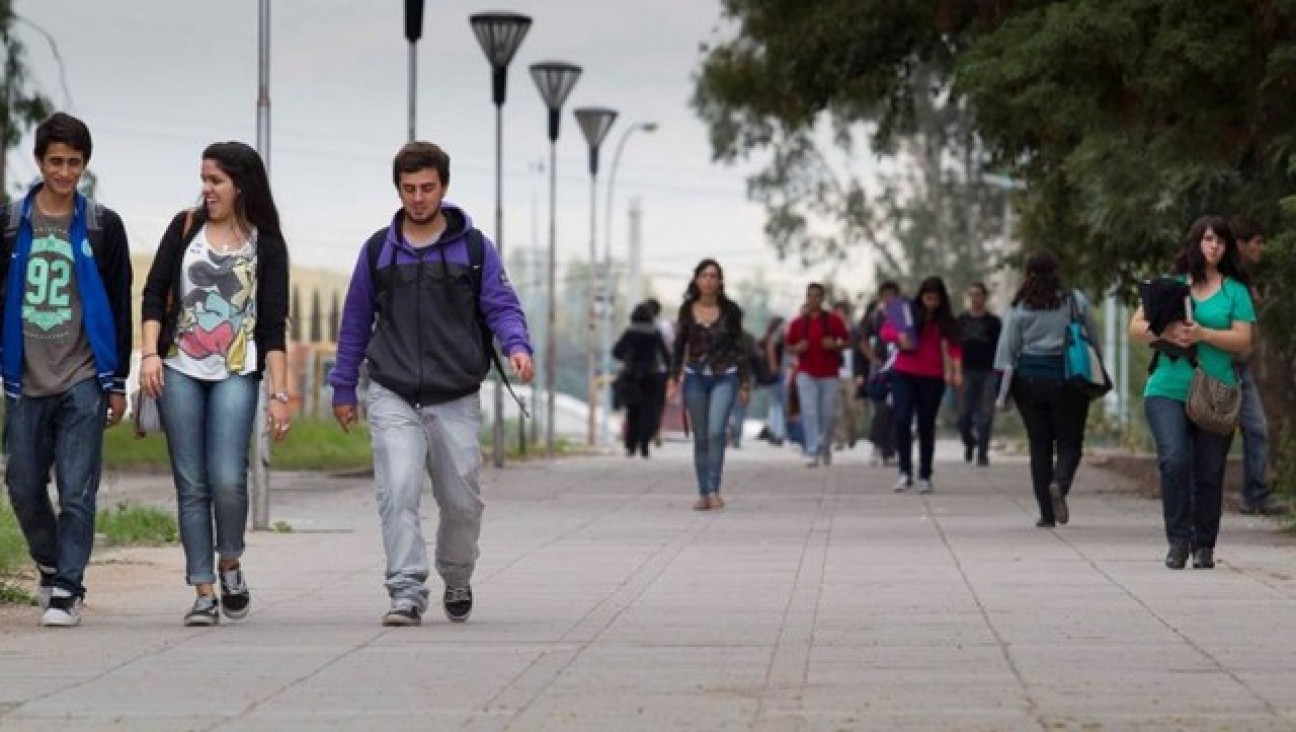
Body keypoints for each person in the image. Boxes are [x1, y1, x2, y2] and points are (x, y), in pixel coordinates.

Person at [329, 141, 534, 625]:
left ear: (443, 187)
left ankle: (458, 574)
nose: (418, 198)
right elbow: (356, 320)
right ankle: (405, 591)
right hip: (392, 389)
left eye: (427, 188)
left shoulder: (475, 248)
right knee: (397, 490)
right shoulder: (379, 250)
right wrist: (343, 387)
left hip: (455, 392)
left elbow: (501, 306)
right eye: (408, 189)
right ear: (398, 190)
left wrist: (516, 345)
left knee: (461, 500)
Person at [140, 141, 290, 626]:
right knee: (191, 484)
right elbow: (153, 293)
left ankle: (230, 561)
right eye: (204, 179)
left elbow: (272, 325)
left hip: (235, 372)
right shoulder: (185, 228)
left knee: (227, 479)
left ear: (240, 185)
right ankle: (203, 590)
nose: (206, 190)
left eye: (216, 181)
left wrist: (280, 395)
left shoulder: (265, 244)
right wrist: (148, 356)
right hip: (179, 368)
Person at [1, 112, 132, 627]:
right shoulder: (11, 223)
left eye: (74, 163)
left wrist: (115, 381)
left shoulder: (103, 226)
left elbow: (119, 305)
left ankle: (67, 590)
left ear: (85, 166)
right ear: (39, 162)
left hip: (82, 376)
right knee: (23, 485)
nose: (64, 172)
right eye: (56, 161)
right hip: (25, 378)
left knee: (77, 489)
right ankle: (52, 561)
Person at [1130, 216, 1254, 570]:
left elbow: (1244, 341)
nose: (1214, 246)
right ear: (1196, 243)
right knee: (1174, 459)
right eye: (1208, 239)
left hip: (1216, 391)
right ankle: (1178, 541)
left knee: (1210, 470)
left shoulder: (1235, 291)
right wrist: (1167, 334)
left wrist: (1204, 335)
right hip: (1167, 386)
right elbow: (1136, 327)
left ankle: (1204, 545)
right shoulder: (1172, 285)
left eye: (1221, 241)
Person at [993, 253, 1096, 527]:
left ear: (1028, 275)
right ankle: (1059, 484)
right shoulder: (1075, 301)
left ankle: (1046, 515)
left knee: (1039, 446)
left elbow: (1007, 353)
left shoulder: (1019, 308)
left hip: (1028, 381)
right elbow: (1092, 341)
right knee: (1070, 443)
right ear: (1057, 272)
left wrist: (1001, 391)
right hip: (1068, 380)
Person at [667, 259, 749, 510]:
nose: (709, 280)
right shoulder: (686, 310)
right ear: (696, 280)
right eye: (704, 276)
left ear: (721, 281)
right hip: (694, 378)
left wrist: (744, 382)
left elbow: (740, 347)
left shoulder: (731, 310)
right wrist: (672, 378)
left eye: (714, 276)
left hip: (725, 375)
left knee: (716, 432)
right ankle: (703, 491)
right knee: (700, 437)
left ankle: (715, 489)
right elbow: (679, 346)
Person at [883, 277, 962, 493]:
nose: (931, 304)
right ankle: (904, 472)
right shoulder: (907, 311)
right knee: (901, 419)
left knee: (927, 424)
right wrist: (899, 337)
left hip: (932, 377)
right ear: (921, 296)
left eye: (935, 300)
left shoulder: (946, 320)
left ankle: (925, 474)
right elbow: (886, 331)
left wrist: (956, 370)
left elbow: (955, 347)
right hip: (904, 373)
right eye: (927, 298)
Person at [1231, 219, 1285, 515]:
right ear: (1240, 244)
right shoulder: (1225, 278)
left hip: (1241, 365)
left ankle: (1255, 494)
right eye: (1257, 242)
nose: (1261, 249)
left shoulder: (1245, 279)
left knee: (1256, 428)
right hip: (1219, 364)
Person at [784, 283, 849, 467]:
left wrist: (835, 345)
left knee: (828, 414)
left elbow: (848, 340)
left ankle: (825, 446)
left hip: (829, 373)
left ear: (822, 299)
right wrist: (797, 348)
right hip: (806, 373)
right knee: (809, 411)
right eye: (810, 296)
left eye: (817, 296)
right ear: (806, 298)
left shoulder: (833, 321)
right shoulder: (798, 323)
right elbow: (788, 346)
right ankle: (812, 450)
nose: (813, 300)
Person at [612, 302, 669, 458]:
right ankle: (644, 444)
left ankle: (631, 445)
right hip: (652, 375)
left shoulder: (630, 331)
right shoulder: (655, 332)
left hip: (632, 376)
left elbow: (616, 352)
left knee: (633, 412)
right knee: (649, 411)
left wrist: (628, 357)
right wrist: (670, 372)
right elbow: (665, 354)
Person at [957, 282, 1002, 467]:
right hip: (966, 371)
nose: (976, 298)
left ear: (984, 297)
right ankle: (969, 442)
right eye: (973, 294)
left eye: (979, 295)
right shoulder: (961, 321)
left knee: (986, 414)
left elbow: (1001, 347)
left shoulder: (994, 322)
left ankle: (982, 453)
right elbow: (954, 347)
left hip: (988, 371)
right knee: (964, 415)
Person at [861, 281, 901, 466]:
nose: (888, 299)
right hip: (881, 370)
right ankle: (878, 445)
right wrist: (872, 358)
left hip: (901, 368)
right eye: (885, 295)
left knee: (897, 409)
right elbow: (861, 340)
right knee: (881, 407)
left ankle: (891, 449)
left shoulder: (904, 316)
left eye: (892, 295)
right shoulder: (874, 317)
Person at [830, 300, 862, 452]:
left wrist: (861, 373)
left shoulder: (855, 331)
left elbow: (862, 352)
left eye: (841, 313)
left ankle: (852, 433)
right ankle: (839, 439)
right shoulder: (829, 332)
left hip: (851, 375)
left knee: (852, 408)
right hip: (834, 374)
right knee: (837, 409)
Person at [758, 316, 788, 446]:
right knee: (779, 403)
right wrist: (774, 366)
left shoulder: (766, 338)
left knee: (775, 403)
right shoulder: (775, 338)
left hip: (770, 374)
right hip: (778, 372)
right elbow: (770, 348)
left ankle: (775, 431)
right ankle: (778, 432)